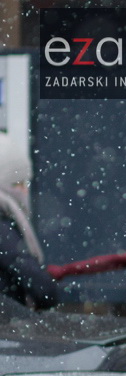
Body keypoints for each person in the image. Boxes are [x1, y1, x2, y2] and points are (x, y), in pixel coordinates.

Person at [0, 133, 57, 311]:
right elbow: (21, 263)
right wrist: (46, 294)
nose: (24, 191)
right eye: (17, 183)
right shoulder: (2, 224)